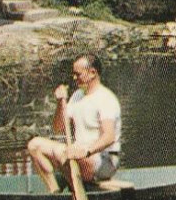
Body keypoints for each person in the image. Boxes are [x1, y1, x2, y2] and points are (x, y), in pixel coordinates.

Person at [25, 53, 122, 192]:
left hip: (103, 161)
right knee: (34, 145)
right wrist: (60, 103)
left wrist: (86, 151)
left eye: (78, 74)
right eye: (74, 74)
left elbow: (109, 137)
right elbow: (59, 128)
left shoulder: (106, 99)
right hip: (76, 155)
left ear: (93, 73)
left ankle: (73, 184)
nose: (74, 78)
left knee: (64, 153)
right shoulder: (77, 96)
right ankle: (54, 191)